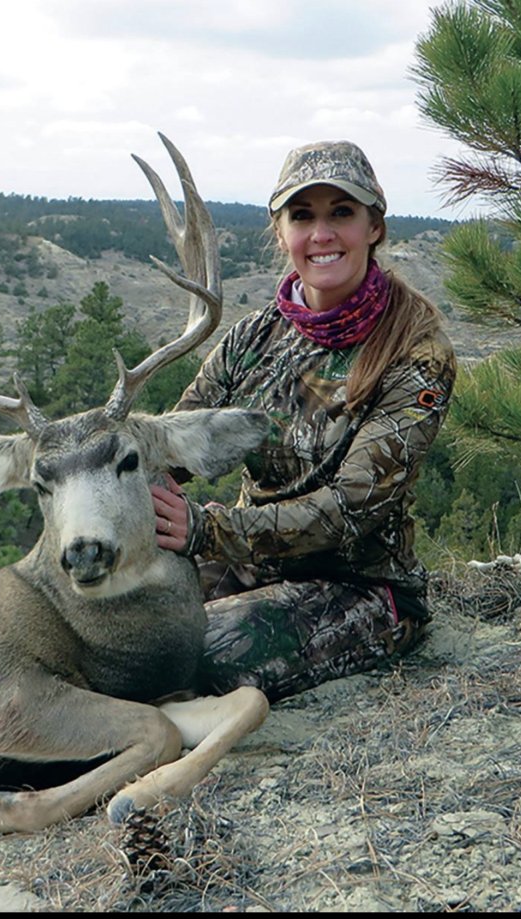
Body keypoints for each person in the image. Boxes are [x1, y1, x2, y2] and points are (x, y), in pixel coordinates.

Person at [151, 140, 457, 702]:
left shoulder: (416, 355)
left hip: (359, 590)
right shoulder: (253, 336)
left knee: (189, 656)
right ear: (281, 232)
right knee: (117, 635)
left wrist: (207, 531)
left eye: (341, 212)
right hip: (248, 565)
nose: (322, 234)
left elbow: (349, 508)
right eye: (302, 216)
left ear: (374, 227)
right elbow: (178, 444)